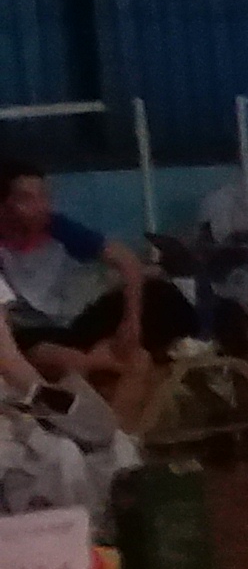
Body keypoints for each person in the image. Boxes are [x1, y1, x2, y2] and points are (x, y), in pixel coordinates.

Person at [0, 159, 185, 417]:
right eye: (27, 199)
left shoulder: (60, 229)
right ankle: (83, 427)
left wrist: (131, 321)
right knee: (73, 363)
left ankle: (117, 435)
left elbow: (127, 261)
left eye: (44, 196)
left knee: (140, 357)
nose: (42, 206)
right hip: (25, 333)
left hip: (68, 323)